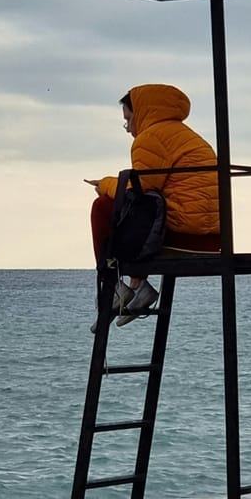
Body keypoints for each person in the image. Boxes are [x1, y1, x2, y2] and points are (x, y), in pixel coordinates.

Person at [86, 84, 221, 326]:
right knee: (141, 210)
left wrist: (105, 183)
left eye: (128, 119)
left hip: (185, 235)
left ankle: (112, 285)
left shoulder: (151, 138)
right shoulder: (184, 135)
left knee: (103, 206)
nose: (127, 128)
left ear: (142, 113)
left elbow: (139, 191)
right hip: (214, 236)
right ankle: (138, 286)